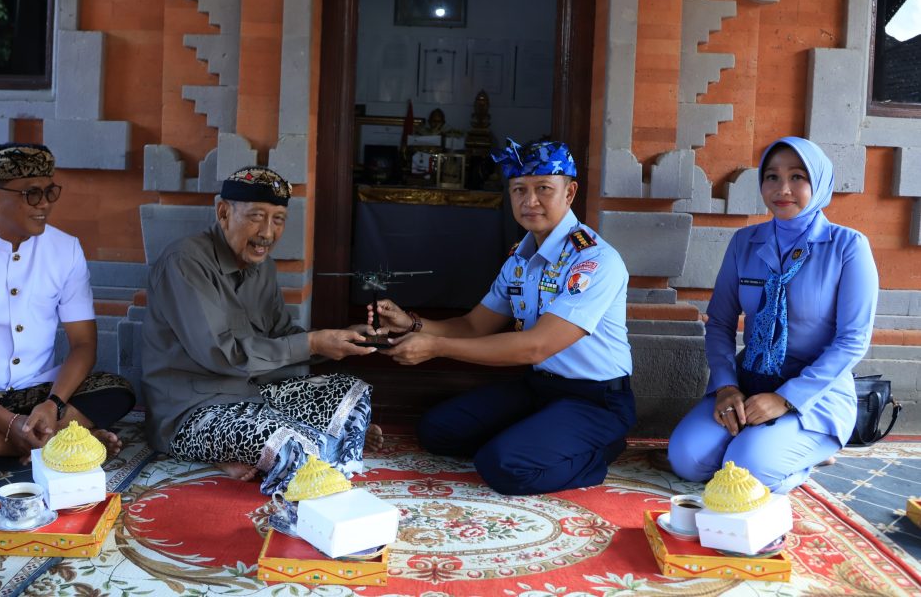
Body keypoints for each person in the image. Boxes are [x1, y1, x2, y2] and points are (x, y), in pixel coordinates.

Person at [370, 139, 635, 496]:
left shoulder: (594, 261)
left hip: (596, 400)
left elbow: (535, 347)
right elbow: (474, 325)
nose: (530, 201)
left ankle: (600, 447)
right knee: (437, 430)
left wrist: (435, 347)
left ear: (570, 193)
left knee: (504, 466)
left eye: (543, 189)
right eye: (519, 190)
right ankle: (539, 435)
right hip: (540, 388)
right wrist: (413, 324)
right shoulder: (520, 258)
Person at [141, 165, 382, 495]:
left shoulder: (261, 265)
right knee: (284, 443)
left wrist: (338, 340)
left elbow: (282, 335)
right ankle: (319, 443)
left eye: (278, 219)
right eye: (256, 216)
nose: (267, 232)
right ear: (224, 213)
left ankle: (315, 443)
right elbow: (223, 355)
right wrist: (312, 343)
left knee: (351, 391)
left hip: (255, 395)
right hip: (192, 410)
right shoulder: (185, 263)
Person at [668, 137, 879, 492]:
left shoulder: (847, 247)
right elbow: (719, 323)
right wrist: (726, 386)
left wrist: (786, 399)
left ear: (819, 182)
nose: (783, 189)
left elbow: (853, 339)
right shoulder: (744, 242)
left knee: (748, 470)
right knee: (687, 459)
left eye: (798, 177)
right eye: (771, 177)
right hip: (749, 382)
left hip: (815, 394)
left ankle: (811, 451)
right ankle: (775, 444)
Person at [0, 143, 136, 477]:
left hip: (38, 395)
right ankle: (54, 442)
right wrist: (7, 423)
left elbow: (83, 346)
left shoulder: (66, 249)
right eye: (31, 194)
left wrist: (53, 404)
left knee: (116, 390)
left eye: (50, 191)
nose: (45, 204)